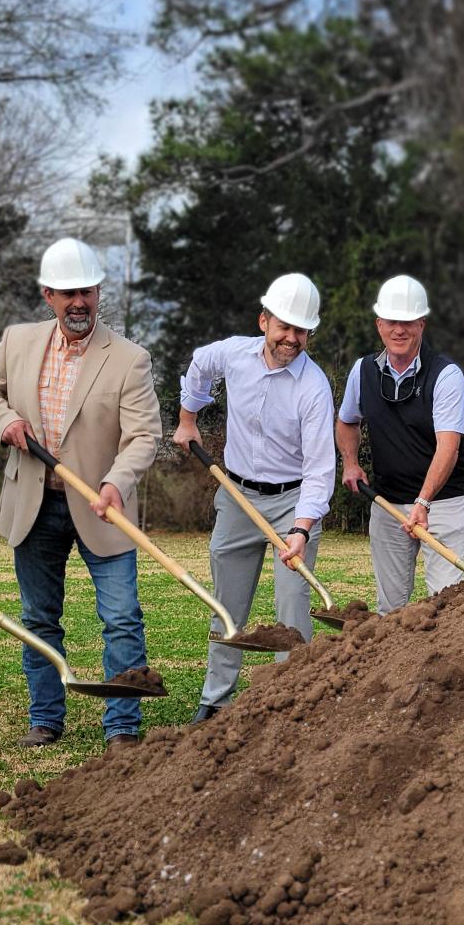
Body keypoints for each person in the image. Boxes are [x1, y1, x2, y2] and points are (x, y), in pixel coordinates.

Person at [0, 238, 161, 749]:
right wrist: (5, 421)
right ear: (48, 295)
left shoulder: (129, 358)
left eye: (88, 292)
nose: (79, 303)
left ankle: (122, 727)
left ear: (99, 294)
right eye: (68, 293)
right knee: (38, 618)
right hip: (34, 503)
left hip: (103, 505)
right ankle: (46, 719)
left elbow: (144, 435)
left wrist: (118, 481)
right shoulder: (18, 342)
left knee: (121, 618)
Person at [174, 274, 336, 722]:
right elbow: (198, 366)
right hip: (238, 495)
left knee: (291, 608)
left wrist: (301, 529)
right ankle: (215, 700)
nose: (291, 338)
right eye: (284, 327)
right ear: (263, 321)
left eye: (301, 331)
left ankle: (292, 702)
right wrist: (189, 418)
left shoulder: (313, 388)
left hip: (293, 501)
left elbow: (320, 470)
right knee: (227, 606)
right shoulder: (234, 353)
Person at [335, 274, 464, 611]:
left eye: (408, 322)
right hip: (388, 500)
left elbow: (449, 447)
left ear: (422, 324)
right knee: (390, 608)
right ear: (379, 324)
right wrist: (351, 463)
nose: (400, 330)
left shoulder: (446, 376)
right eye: (392, 321)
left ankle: (443, 662)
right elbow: (346, 421)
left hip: (443, 501)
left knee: (444, 605)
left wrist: (424, 503)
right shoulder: (362, 370)